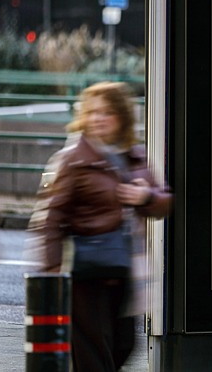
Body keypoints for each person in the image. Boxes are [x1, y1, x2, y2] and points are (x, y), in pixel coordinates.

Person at [40, 81, 172, 372]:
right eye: (92, 112)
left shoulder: (134, 156)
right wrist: (50, 273)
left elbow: (164, 201)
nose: (98, 119)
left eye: (107, 112)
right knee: (93, 354)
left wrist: (145, 196)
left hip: (125, 271)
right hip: (87, 273)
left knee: (124, 345)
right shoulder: (74, 159)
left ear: (122, 117)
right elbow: (51, 217)